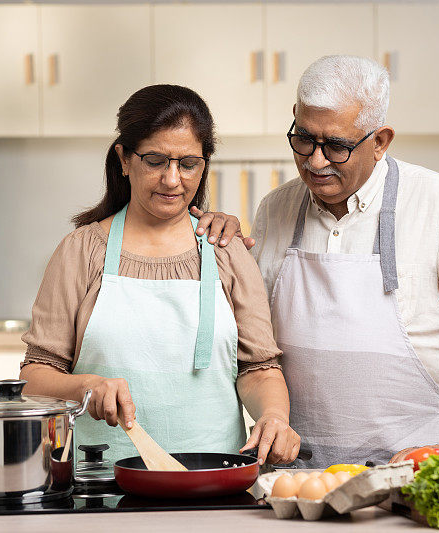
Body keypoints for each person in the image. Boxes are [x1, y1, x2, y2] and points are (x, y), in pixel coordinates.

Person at [194, 56, 439, 467]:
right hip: (294, 482)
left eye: (337, 146)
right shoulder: (275, 208)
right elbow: (247, 342)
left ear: (380, 141)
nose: (315, 161)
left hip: (411, 482)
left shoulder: (438, 204)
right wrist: (217, 246)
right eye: (304, 139)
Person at [20, 85, 300, 465]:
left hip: (214, 479)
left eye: (188, 164)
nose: (173, 180)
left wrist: (273, 416)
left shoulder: (226, 249)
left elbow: (258, 369)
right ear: (124, 159)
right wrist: (85, 386)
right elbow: (35, 378)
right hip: (101, 482)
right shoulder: (81, 251)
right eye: (155, 161)